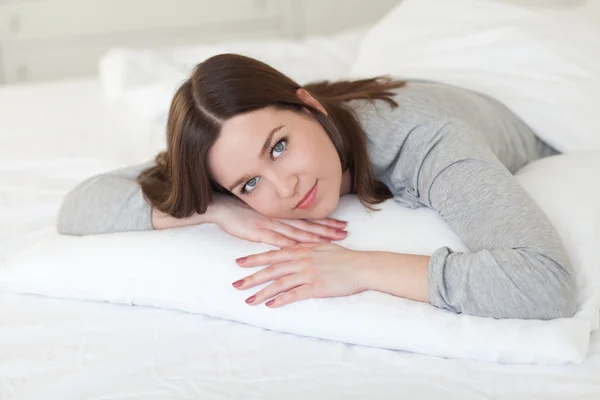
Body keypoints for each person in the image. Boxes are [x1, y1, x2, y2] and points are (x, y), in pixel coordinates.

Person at [56, 53, 577, 320]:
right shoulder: (230, 149)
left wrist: (360, 266)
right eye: (250, 182)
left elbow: (542, 282)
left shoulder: (427, 142)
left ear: (310, 105)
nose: (284, 189)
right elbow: (80, 206)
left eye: (279, 146)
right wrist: (217, 209)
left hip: (505, 104)